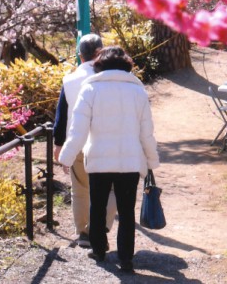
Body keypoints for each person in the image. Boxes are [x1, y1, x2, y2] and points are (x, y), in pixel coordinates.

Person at [57, 46, 160, 274]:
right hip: (130, 161)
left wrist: (66, 156)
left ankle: (99, 249)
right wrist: (152, 160)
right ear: (126, 65)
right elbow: (146, 132)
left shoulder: (90, 89)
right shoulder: (138, 92)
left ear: (99, 65)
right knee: (126, 211)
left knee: (97, 205)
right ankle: (126, 259)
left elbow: (78, 130)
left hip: (99, 160)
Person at [52, 34, 116, 247]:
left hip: (77, 142)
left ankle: (84, 232)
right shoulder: (111, 77)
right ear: (101, 51)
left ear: (80, 55)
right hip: (106, 141)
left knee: (80, 189)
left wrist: (59, 144)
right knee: (109, 188)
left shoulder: (70, 80)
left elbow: (61, 115)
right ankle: (103, 228)